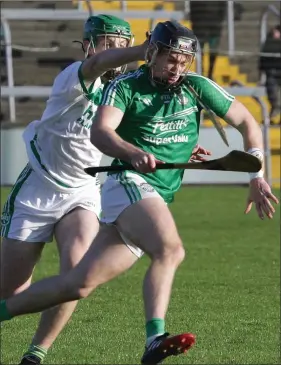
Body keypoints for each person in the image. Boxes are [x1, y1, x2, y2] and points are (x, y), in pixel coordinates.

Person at [1, 20, 278, 364]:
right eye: (170, 58)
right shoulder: (100, 80)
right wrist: (132, 152)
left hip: (92, 191)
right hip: (92, 184)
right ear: (152, 53)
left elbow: (247, 123)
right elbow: (102, 132)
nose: (177, 67)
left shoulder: (192, 87)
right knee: (171, 250)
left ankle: (32, 352)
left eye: (183, 61)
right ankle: (154, 338)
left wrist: (254, 174)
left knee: (78, 283)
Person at [0, 14, 147, 365]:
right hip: (38, 187)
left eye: (122, 45)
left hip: (82, 192)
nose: (115, 51)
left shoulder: (122, 93)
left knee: (77, 274)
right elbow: (97, 65)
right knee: (11, 291)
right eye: (109, 43)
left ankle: (36, 353)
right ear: (89, 45)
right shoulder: (73, 76)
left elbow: (133, 136)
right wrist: (143, 50)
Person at [259, 25, 281, 123]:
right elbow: (262, 60)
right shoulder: (269, 43)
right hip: (272, 73)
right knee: (272, 95)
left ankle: (274, 114)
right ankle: (273, 113)